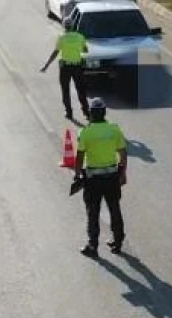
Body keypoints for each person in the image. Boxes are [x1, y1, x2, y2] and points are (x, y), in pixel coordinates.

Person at [74, 97, 127, 258]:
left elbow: (80, 156)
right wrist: (123, 173)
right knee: (115, 209)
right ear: (104, 113)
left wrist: (77, 174)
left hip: (93, 180)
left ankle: (93, 245)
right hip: (112, 177)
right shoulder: (114, 129)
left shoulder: (85, 132)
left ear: (91, 114)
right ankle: (117, 242)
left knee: (93, 212)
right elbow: (123, 154)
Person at [40, 16, 90, 120]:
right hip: (77, 66)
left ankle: (69, 112)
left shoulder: (61, 37)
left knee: (65, 90)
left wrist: (46, 65)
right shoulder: (80, 37)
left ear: (64, 26)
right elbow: (85, 50)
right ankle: (86, 112)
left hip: (65, 68)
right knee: (81, 90)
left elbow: (56, 52)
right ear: (72, 26)